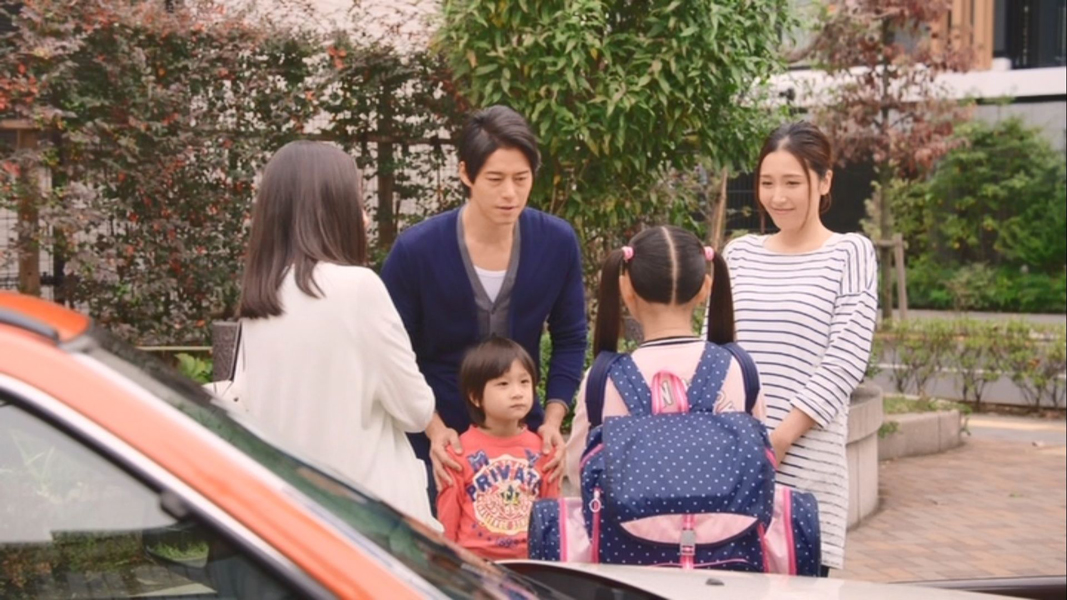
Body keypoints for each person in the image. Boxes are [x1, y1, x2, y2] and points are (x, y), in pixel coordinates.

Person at [381, 105, 587, 506]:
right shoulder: (417, 251)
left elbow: (571, 337)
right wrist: (433, 429)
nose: (510, 193)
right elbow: (392, 354)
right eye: (495, 179)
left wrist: (553, 420)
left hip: (522, 443)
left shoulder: (557, 243)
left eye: (521, 179)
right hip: (439, 448)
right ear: (466, 173)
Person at [704, 121, 878, 576]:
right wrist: (737, 443)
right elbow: (713, 355)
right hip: (733, 469)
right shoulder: (739, 255)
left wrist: (778, 440)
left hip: (807, 475)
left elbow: (845, 361)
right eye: (767, 182)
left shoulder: (850, 253)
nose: (777, 196)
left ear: (824, 182)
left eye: (792, 183)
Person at [237, 141, 438, 529]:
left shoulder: (260, 298)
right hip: (370, 518)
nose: (364, 218)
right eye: (356, 202)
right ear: (332, 212)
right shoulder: (359, 288)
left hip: (291, 518)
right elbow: (416, 411)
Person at [565, 225, 766, 488]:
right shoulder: (738, 368)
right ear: (706, 287)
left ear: (626, 288)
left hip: (625, 517)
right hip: (728, 517)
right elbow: (760, 454)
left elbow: (577, 469)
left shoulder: (603, 379)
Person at [436, 337, 561, 559]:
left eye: (524, 382)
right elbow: (448, 516)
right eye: (503, 384)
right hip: (474, 564)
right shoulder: (457, 452)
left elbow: (553, 515)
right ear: (475, 396)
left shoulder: (545, 450)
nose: (517, 392)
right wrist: (446, 561)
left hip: (530, 564)